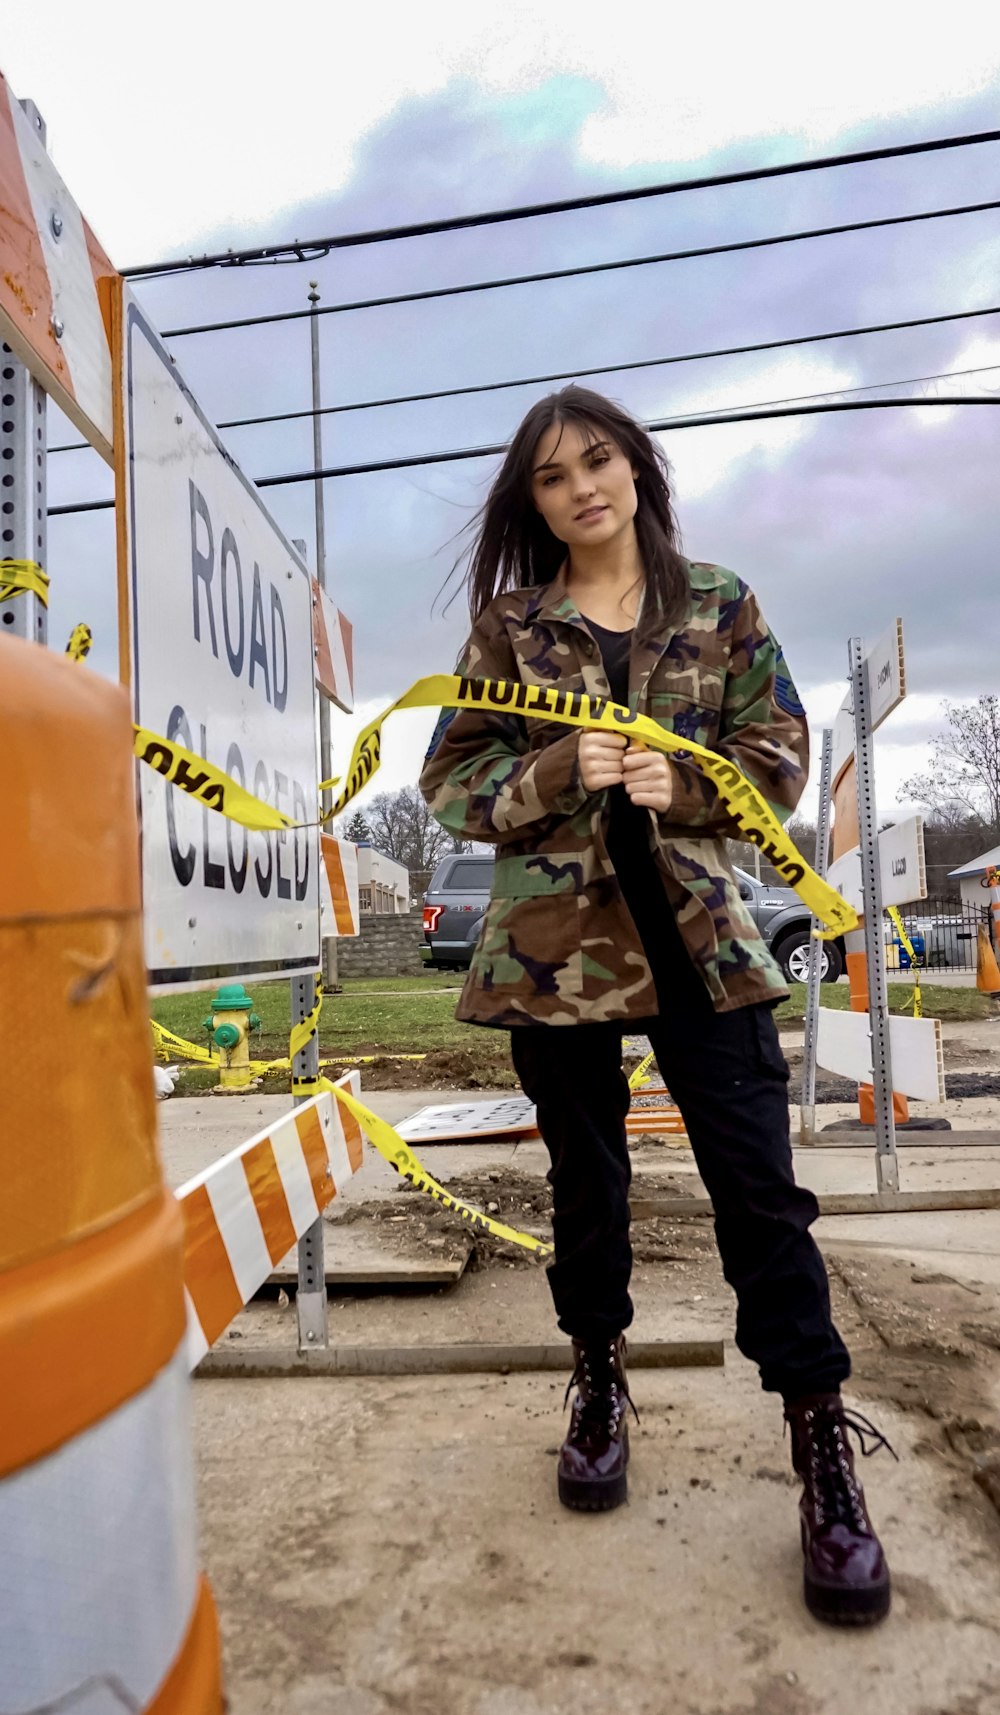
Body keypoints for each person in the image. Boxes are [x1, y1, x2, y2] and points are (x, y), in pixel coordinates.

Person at [419, 386, 894, 1627]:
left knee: (757, 1190)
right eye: (553, 475)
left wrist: (679, 782)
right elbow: (450, 783)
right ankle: (595, 1375)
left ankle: (817, 1438)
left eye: (599, 460)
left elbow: (779, 765)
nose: (582, 486)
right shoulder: (511, 625)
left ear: (636, 466)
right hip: (551, 955)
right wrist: (549, 770)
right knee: (587, 1185)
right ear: (533, 501)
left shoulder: (719, 602)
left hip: (700, 946)